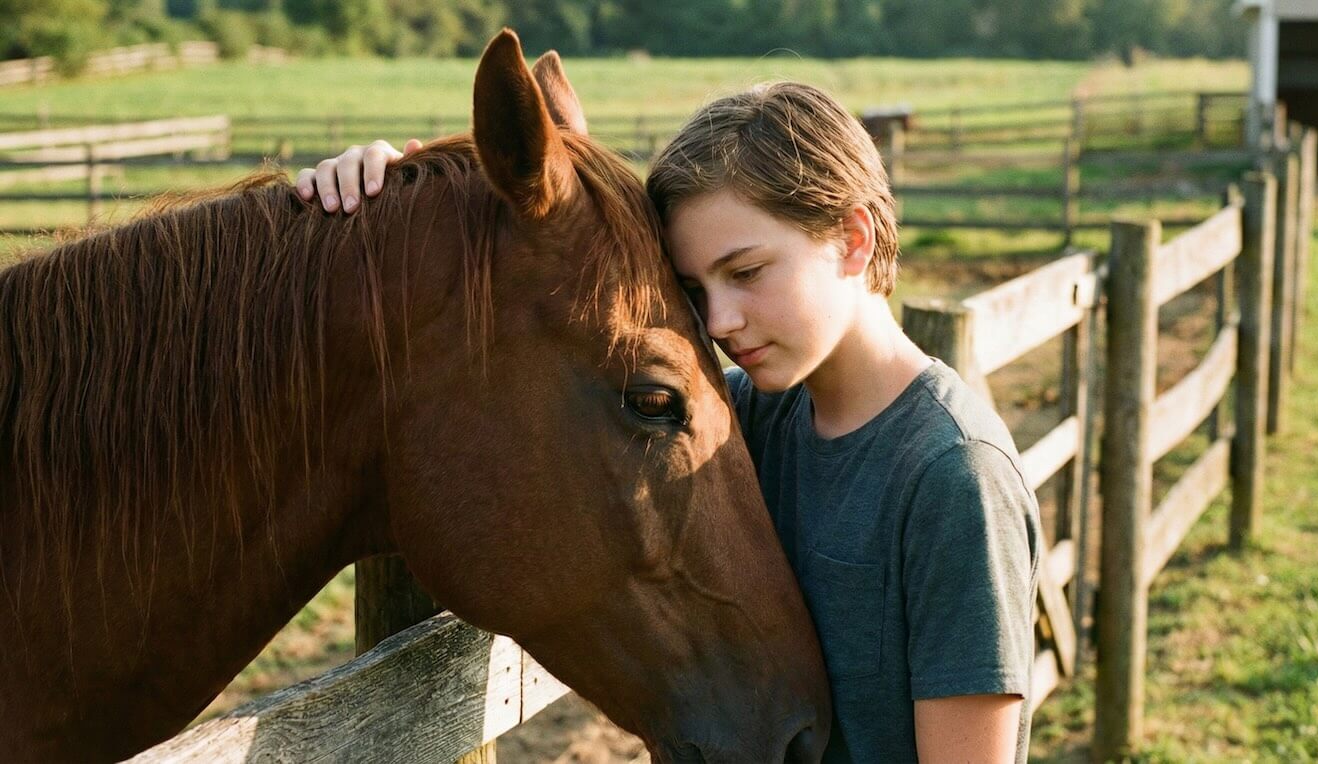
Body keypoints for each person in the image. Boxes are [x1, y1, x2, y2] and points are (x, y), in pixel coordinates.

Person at [297, 80, 1041, 764]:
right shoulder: (749, 416)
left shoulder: (953, 476)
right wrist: (397, 204)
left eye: (745, 272)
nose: (719, 321)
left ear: (853, 239)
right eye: (696, 289)